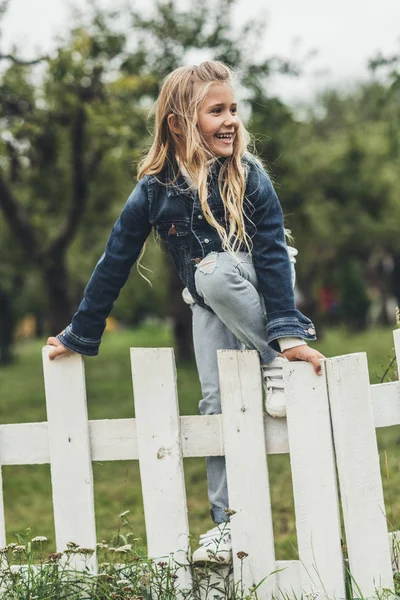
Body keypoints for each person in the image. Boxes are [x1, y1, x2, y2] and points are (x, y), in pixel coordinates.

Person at [47, 61, 324, 564]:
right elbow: (115, 259)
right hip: (207, 302)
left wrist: (285, 334)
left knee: (214, 272)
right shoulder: (153, 189)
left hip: (255, 284)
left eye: (234, 109)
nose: (231, 120)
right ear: (179, 124)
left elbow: (270, 252)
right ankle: (228, 524)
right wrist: (80, 333)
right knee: (216, 404)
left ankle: (274, 363)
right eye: (216, 110)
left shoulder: (248, 174)